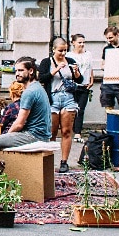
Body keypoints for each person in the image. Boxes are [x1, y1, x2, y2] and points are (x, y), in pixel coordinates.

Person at [39, 36, 80, 174]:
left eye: (65, 51)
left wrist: (76, 72)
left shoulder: (71, 61)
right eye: (60, 51)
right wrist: (56, 69)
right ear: (53, 49)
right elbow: (42, 78)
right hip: (53, 98)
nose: (63, 54)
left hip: (68, 98)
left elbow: (79, 79)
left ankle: (64, 162)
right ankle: (49, 162)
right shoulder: (46, 62)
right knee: (51, 132)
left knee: (67, 131)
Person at [0, 57, 52, 151]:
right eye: (16, 71)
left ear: (31, 71)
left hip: (33, 136)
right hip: (42, 135)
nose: (17, 74)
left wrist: (7, 136)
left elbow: (19, 124)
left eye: (21, 70)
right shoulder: (38, 87)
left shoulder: (29, 92)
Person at [70, 33, 94, 142]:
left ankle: (78, 133)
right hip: (74, 86)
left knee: (81, 109)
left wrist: (91, 79)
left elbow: (90, 68)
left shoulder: (88, 54)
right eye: (79, 42)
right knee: (73, 109)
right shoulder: (69, 56)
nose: (82, 44)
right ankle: (71, 130)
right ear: (73, 43)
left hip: (85, 85)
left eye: (83, 42)